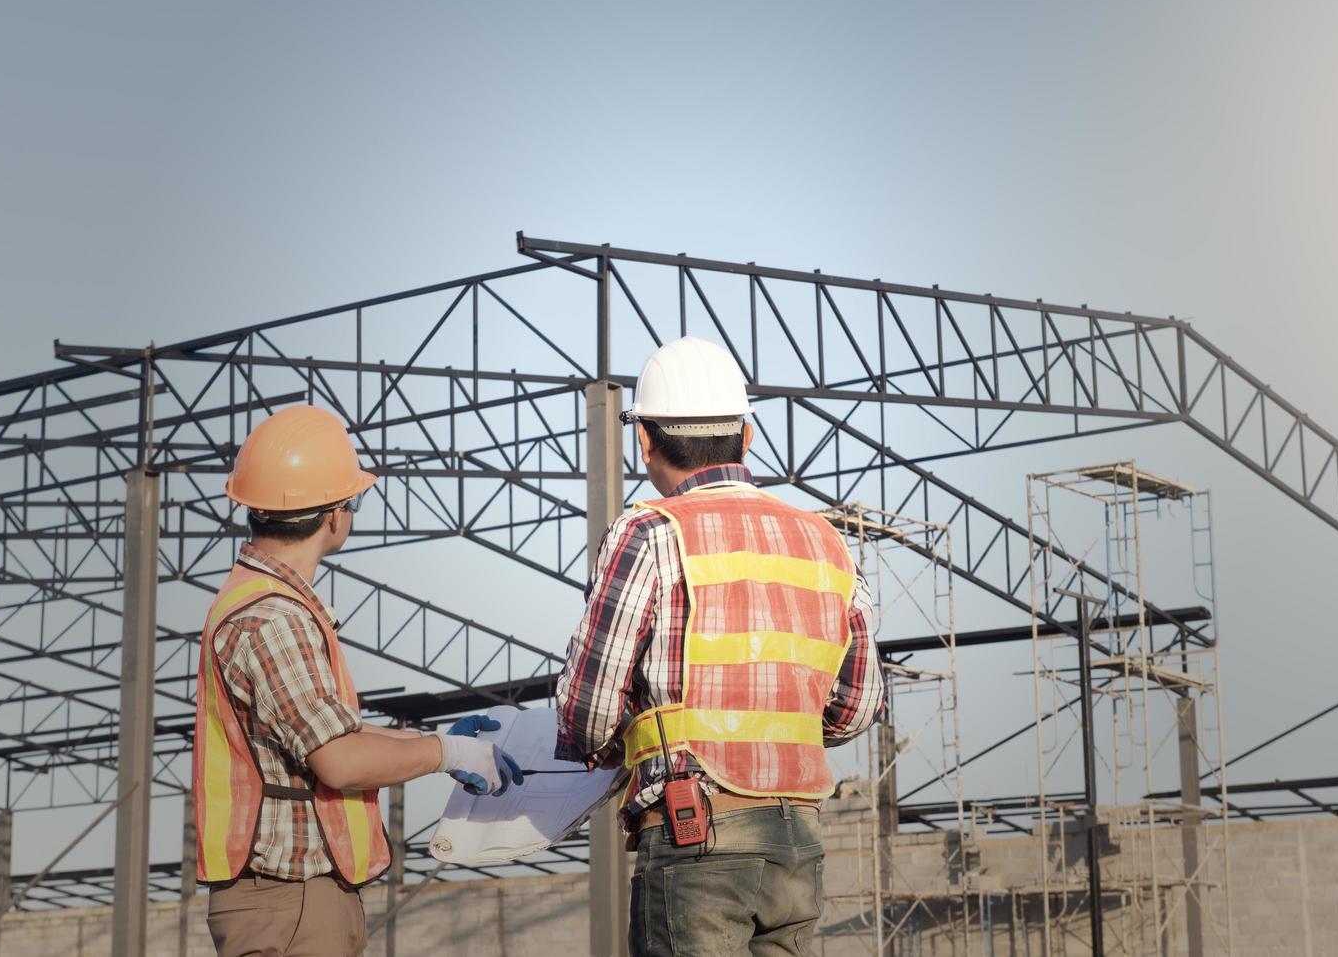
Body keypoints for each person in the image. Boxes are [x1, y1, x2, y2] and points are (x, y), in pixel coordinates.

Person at [556, 337, 886, 956]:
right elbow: (856, 708)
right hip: (795, 842)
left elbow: (588, 710)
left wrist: (602, 746)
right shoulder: (828, 542)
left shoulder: (648, 531)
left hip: (694, 839)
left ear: (645, 440)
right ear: (747, 436)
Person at [194, 405, 523, 957]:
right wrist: (441, 752)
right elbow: (339, 758)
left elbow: (326, 733)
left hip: (284, 901)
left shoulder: (257, 601)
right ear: (336, 516)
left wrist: (443, 743)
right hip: (290, 902)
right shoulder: (276, 619)